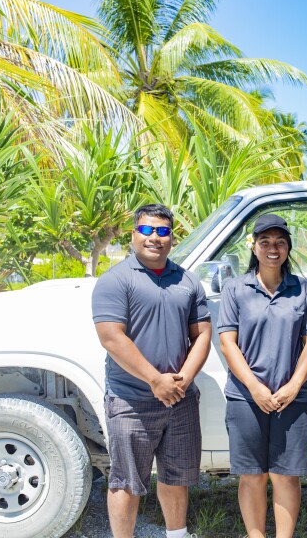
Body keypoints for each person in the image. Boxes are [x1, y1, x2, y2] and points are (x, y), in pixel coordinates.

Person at [92, 204, 212, 538]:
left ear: (172, 237)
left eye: (162, 231)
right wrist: (155, 380)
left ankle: (177, 534)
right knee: (126, 482)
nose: (154, 238)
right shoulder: (115, 280)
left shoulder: (187, 280)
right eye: (146, 230)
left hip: (180, 398)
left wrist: (183, 380)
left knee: (176, 478)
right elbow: (111, 337)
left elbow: (202, 334)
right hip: (131, 400)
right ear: (134, 234)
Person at [217, 214, 307, 538]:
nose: (272, 248)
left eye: (280, 242)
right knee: (252, 475)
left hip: (293, 396)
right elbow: (227, 342)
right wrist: (254, 387)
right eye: (265, 242)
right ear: (254, 246)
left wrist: (293, 386)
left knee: (286, 475)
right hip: (246, 398)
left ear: (288, 247)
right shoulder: (235, 288)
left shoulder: (303, 289)